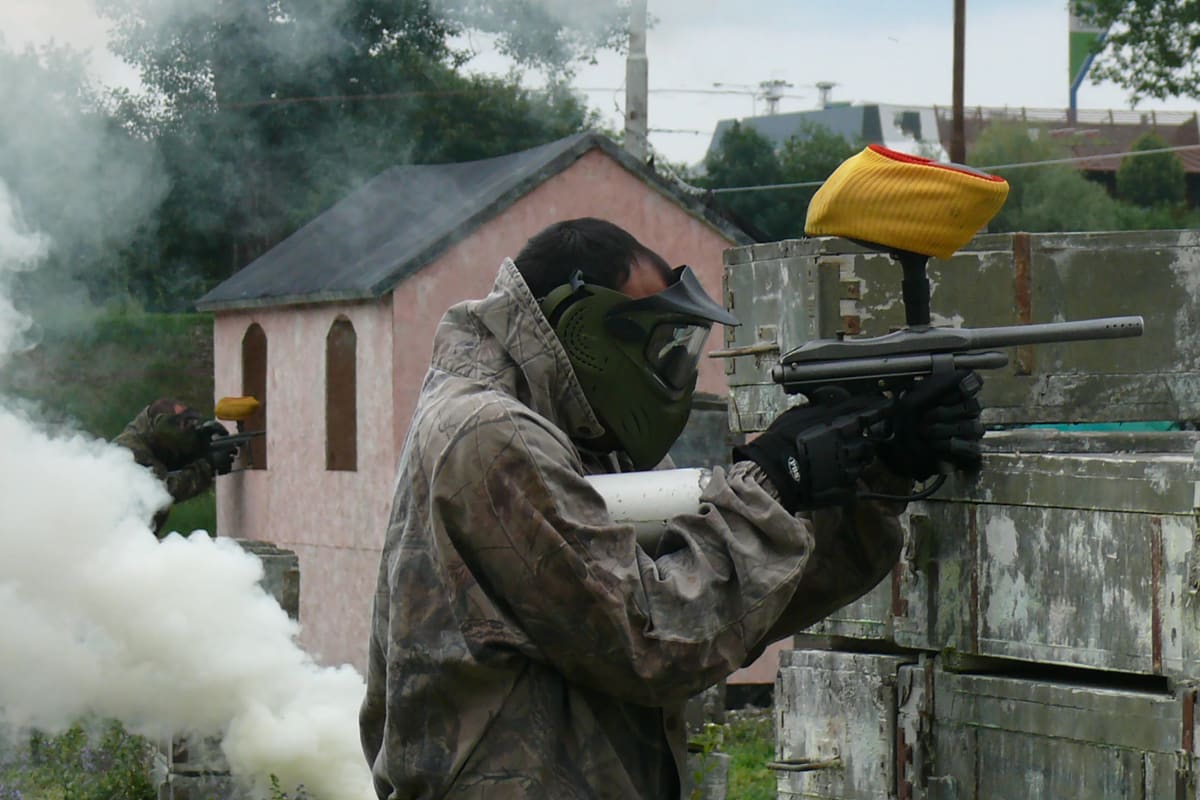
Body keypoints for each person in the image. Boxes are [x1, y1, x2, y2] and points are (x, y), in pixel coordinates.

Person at [359, 218, 983, 799]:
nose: (672, 369)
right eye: (658, 342)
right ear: (585, 329)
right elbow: (648, 638)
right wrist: (772, 480)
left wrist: (882, 464)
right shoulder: (490, 435)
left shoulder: (576, 435)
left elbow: (720, 612)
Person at [112, 398, 237, 536]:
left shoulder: (151, 438)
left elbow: (166, 459)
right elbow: (163, 489)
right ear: (163, 423)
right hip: (117, 542)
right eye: (183, 423)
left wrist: (200, 442)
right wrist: (207, 465)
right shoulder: (128, 451)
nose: (188, 427)